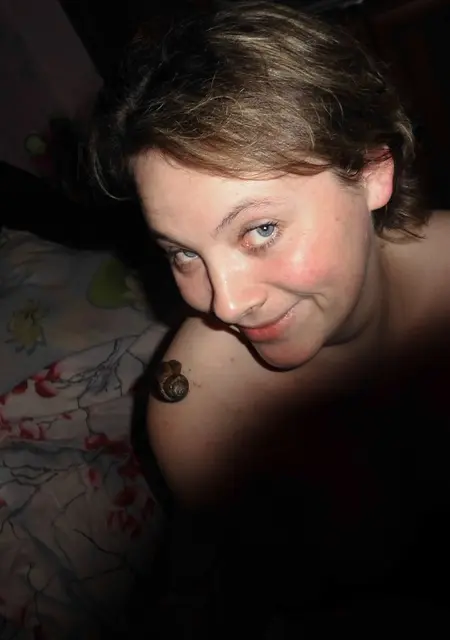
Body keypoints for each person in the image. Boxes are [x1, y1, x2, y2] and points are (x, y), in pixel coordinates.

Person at [90, 0, 450, 510]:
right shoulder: (203, 422)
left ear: (372, 172)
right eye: (183, 253)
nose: (227, 305)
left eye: (260, 230)